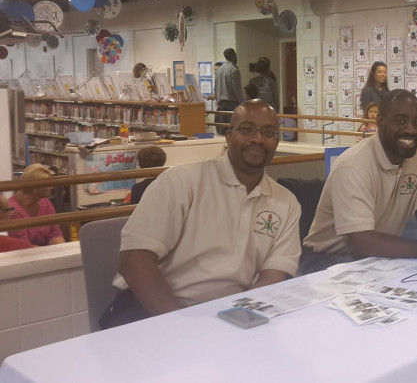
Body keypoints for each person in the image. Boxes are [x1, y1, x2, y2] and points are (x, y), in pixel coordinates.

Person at [101, 100, 301, 329]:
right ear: (228, 137)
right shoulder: (181, 182)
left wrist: (239, 322)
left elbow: (272, 276)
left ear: (277, 141)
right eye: (246, 129)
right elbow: (134, 261)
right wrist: (182, 327)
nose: (258, 139)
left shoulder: (286, 202)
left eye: (268, 132)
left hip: (229, 312)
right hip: (154, 309)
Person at [301, 90, 417, 274]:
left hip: (378, 254)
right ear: (380, 122)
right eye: (400, 121)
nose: (410, 129)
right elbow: (362, 240)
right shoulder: (353, 165)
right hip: (326, 258)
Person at [7, 164, 66, 246]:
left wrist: (64, 251)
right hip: (24, 256)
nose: (52, 187)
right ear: (35, 187)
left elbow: (55, 233)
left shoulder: (45, 203)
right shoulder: (13, 211)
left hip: (42, 252)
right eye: (48, 184)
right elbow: (22, 247)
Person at [214, 48, 244, 135]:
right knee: (233, 131)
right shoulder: (234, 70)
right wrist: (242, 104)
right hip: (232, 105)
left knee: (222, 132)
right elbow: (237, 89)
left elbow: (216, 88)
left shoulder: (219, 70)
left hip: (221, 105)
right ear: (234, 56)